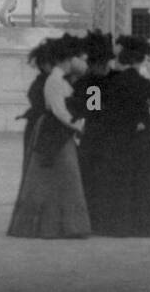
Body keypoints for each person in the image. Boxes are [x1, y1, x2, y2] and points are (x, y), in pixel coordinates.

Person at [8, 34, 91, 239]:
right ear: (66, 58)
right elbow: (59, 110)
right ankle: (57, 226)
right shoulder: (54, 80)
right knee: (59, 177)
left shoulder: (64, 79)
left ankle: (61, 225)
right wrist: (80, 124)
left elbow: (86, 102)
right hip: (55, 131)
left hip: (59, 129)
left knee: (61, 178)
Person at [96, 35, 150, 237]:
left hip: (119, 138)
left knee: (121, 181)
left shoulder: (110, 82)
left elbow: (99, 108)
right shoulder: (144, 82)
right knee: (144, 181)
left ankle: (120, 225)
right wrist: (146, 123)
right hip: (142, 139)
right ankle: (145, 225)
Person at [73, 29, 115, 233]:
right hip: (98, 137)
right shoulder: (94, 84)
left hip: (95, 136)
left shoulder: (91, 81)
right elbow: (94, 110)